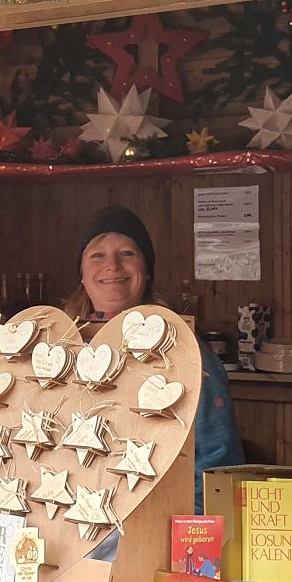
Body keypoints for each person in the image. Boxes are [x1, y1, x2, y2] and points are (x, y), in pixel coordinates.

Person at [63, 205, 246, 511]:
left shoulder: (186, 352)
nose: (112, 266)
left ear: (146, 271)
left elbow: (217, 460)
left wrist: (188, 526)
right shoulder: (60, 351)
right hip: (69, 523)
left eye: (127, 253)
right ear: (81, 274)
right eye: (97, 255)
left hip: (160, 522)